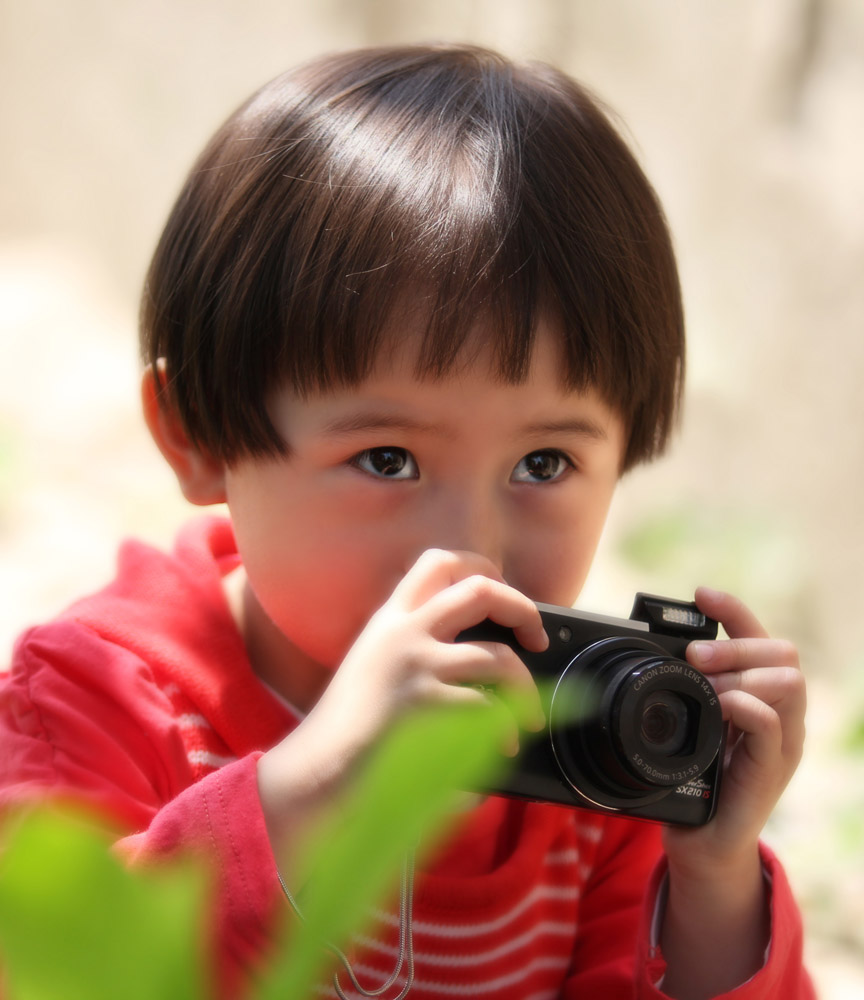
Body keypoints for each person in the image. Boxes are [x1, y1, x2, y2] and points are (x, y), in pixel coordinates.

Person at [0, 44, 812, 1000]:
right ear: (199, 438)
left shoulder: (595, 753)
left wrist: (711, 880)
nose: (470, 545)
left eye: (542, 464)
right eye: (386, 459)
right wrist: (314, 783)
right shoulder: (96, 703)